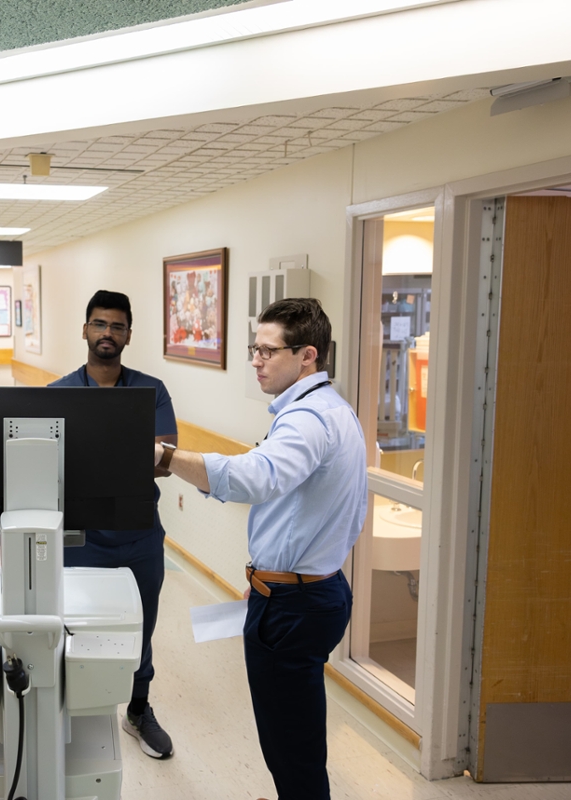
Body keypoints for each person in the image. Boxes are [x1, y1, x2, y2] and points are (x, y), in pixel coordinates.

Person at [156, 298, 366, 800]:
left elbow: (259, 476)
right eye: (255, 348)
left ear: (308, 355)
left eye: (268, 351)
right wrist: (275, 577)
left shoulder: (309, 419)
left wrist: (164, 457)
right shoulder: (331, 409)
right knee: (292, 740)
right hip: (306, 591)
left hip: (297, 603)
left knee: (292, 748)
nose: (256, 360)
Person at [49, 289, 178, 759]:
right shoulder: (57, 394)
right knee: (76, 625)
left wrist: (89, 455)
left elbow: (164, 461)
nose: (108, 333)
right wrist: (127, 451)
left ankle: (139, 709)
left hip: (140, 530)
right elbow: (48, 465)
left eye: (117, 326)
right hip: (81, 533)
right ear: (85, 329)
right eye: (100, 324)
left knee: (142, 624)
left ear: (128, 334)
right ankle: (73, 712)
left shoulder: (151, 390)